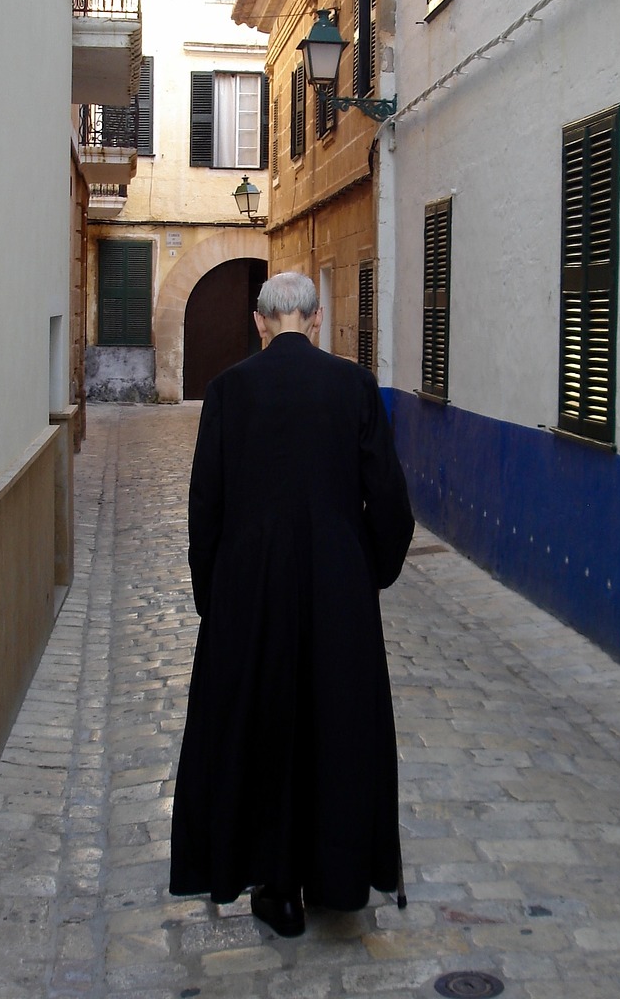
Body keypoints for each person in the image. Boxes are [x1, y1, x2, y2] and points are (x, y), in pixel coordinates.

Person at [169, 271, 414, 937]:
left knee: (263, 725)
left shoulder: (227, 392)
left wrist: (211, 595)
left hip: (250, 591)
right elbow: (389, 500)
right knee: (337, 723)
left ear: (259, 322)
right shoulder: (354, 387)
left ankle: (277, 889)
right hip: (337, 586)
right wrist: (370, 571)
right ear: (315, 316)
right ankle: (337, 878)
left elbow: (206, 506)